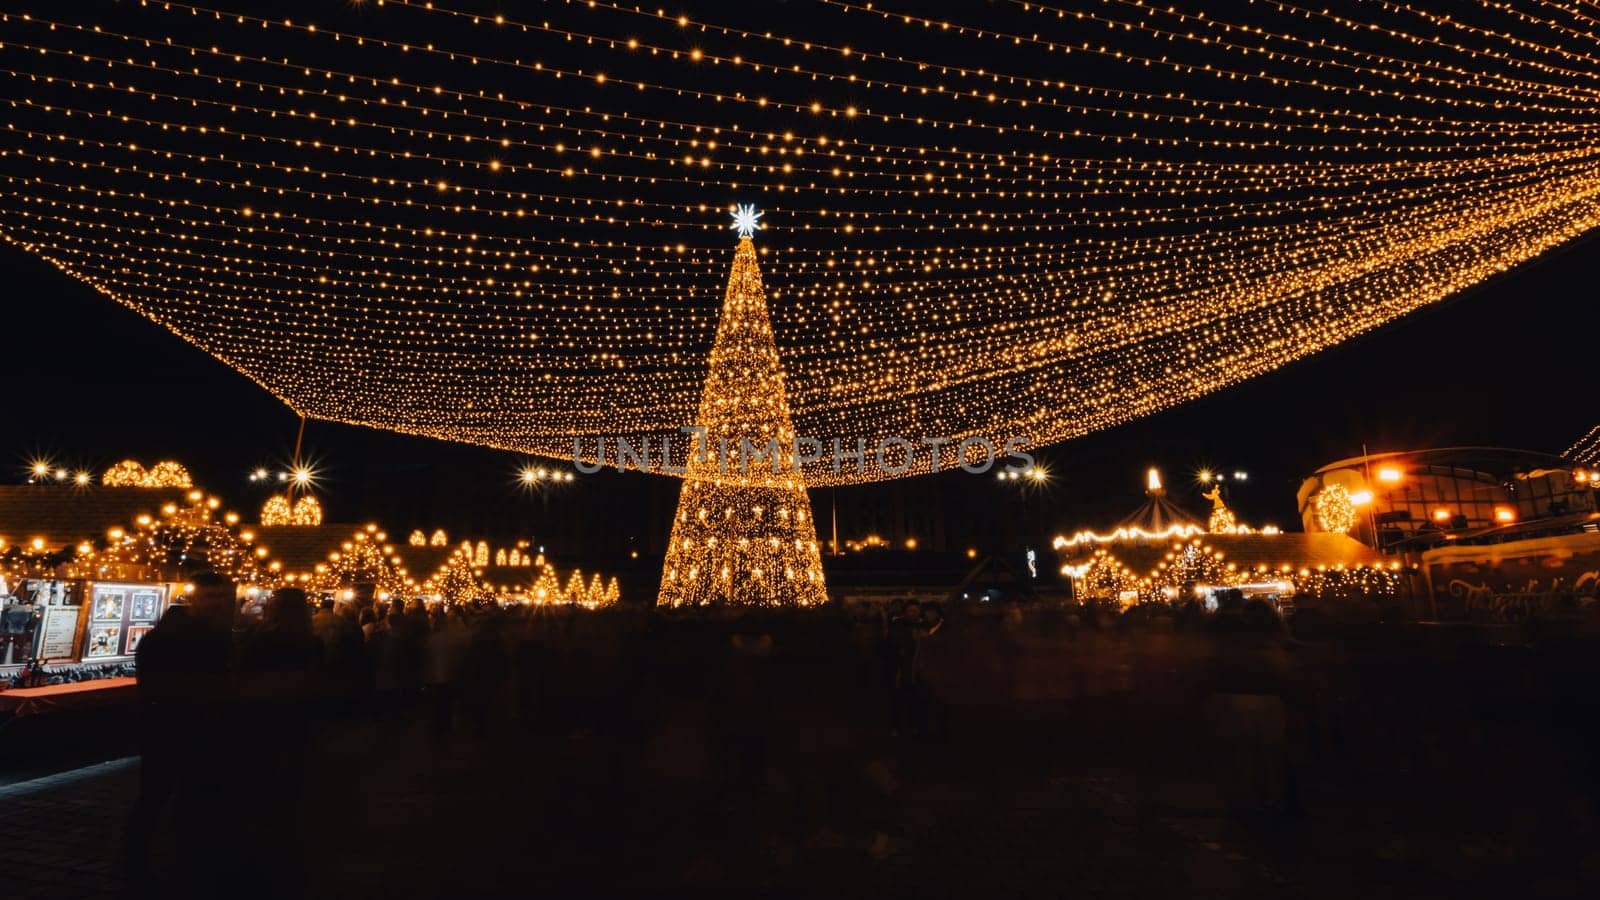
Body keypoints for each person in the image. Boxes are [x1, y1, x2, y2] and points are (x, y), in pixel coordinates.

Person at [126, 571, 239, 899]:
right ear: (194, 598)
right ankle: (139, 865)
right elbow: (158, 687)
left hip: (203, 732)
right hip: (171, 731)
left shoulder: (217, 635)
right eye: (211, 597)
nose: (218, 603)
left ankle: (182, 862)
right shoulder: (170, 637)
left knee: (192, 800)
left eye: (223, 597)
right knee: (155, 798)